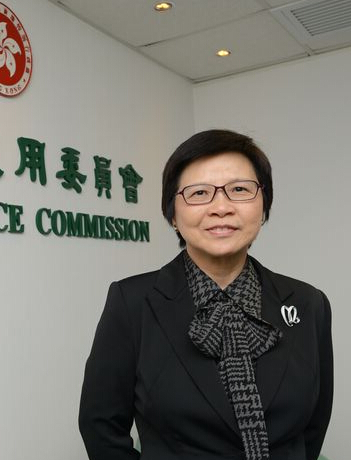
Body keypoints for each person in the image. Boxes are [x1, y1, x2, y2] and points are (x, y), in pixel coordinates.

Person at [78, 130, 333, 460]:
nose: (221, 207)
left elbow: (312, 428)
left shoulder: (308, 303)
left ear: (263, 205)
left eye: (239, 190)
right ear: (173, 214)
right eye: (199, 193)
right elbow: (100, 426)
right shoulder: (132, 302)